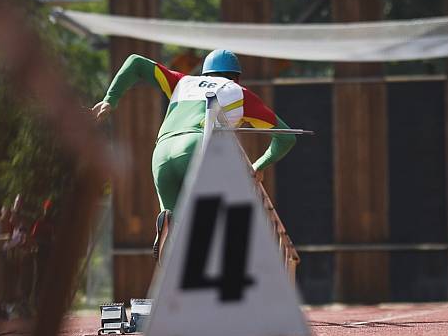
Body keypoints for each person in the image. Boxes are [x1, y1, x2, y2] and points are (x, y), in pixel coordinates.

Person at [91, 49, 296, 261]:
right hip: (197, 146)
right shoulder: (239, 92)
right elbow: (287, 137)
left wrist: (110, 100)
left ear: (205, 73)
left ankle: (172, 231)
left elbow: (135, 61)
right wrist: (258, 167)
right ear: (236, 76)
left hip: (162, 153)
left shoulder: (183, 82)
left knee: (177, 226)